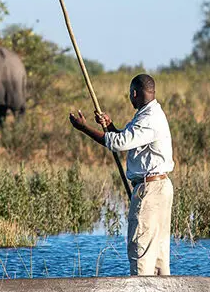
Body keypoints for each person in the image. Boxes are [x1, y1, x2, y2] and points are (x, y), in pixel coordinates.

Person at [68, 73, 174, 276]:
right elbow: (127, 139)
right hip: (158, 187)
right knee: (158, 254)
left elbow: (118, 143)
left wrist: (84, 128)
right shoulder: (150, 114)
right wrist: (109, 126)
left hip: (151, 189)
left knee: (141, 250)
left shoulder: (149, 118)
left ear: (134, 93)